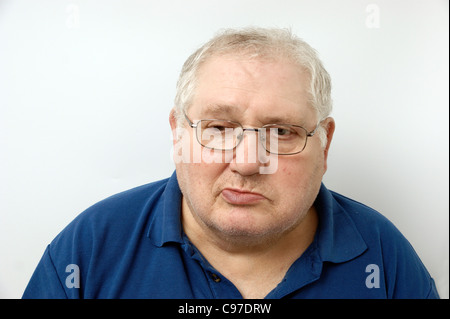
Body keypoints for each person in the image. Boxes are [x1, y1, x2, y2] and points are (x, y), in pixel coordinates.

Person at [23, 27, 439, 299]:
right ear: (177, 132)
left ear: (324, 144)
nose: (247, 162)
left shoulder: (385, 258)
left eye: (281, 132)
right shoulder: (90, 248)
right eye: (220, 128)